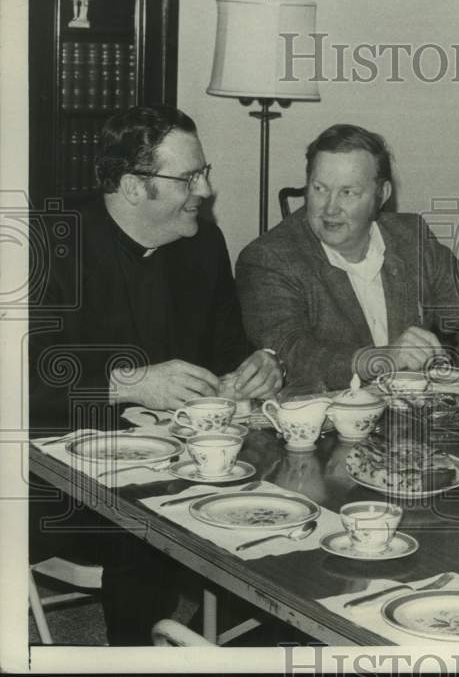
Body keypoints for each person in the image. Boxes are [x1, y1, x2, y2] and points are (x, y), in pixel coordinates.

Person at [29, 105, 283, 644]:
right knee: (149, 530)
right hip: (58, 485)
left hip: (184, 463)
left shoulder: (204, 244)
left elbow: (230, 354)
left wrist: (259, 369)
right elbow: (18, 380)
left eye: (205, 171)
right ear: (132, 186)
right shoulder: (46, 244)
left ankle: (219, 642)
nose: (207, 189)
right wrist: (128, 382)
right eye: (190, 177)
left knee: (282, 495)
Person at [236, 124, 459, 389]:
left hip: (414, 421)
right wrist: (383, 358)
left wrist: (455, 384)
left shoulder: (411, 239)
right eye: (319, 189)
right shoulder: (268, 258)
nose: (330, 208)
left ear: (382, 194)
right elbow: (291, 352)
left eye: (348, 192)